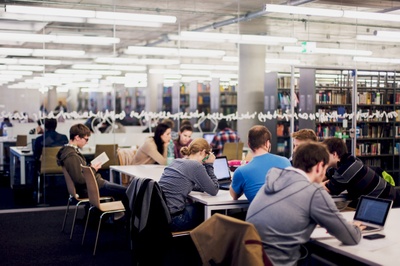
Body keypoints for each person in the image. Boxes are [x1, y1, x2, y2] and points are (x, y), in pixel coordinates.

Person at [246, 142, 363, 266]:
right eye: (325, 168)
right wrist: (355, 227)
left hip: (250, 259)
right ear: (319, 167)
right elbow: (350, 237)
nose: (325, 174)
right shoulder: (314, 192)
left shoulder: (273, 181)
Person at [56, 123, 128, 218]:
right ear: (77, 137)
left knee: (126, 191)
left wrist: (90, 167)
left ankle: (118, 215)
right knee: (128, 192)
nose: (87, 142)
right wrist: (93, 169)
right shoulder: (71, 156)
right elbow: (80, 180)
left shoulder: (68, 152)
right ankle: (126, 219)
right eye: (86, 139)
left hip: (95, 184)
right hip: (94, 187)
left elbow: (80, 173)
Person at [158, 138, 219, 231]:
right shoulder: (196, 165)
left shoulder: (176, 161)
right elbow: (214, 190)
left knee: (194, 207)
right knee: (209, 212)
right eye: (206, 156)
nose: (205, 160)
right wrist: (209, 164)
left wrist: (203, 185)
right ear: (202, 152)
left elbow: (184, 183)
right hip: (175, 220)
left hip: (160, 217)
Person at [322, 137, 400, 207]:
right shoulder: (350, 161)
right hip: (378, 200)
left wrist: (320, 183)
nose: (323, 158)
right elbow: (328, 175)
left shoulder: (346, 169)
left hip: (388, 202)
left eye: (324, 154)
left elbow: (330, 189)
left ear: (334, 154)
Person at [230, 125, 291, 203]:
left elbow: (234, 196)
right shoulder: (285, 161)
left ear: (249, 144)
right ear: (267, 143)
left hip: (259, 214)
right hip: (289, 213)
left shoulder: (241, 171)